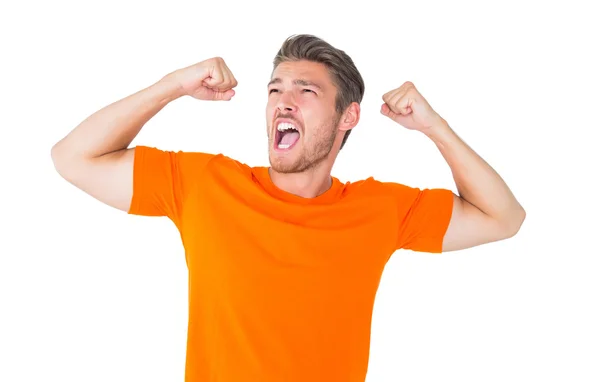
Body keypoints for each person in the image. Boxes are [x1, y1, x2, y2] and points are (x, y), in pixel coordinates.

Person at [51, 34, 525, 381]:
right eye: (276, 90)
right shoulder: (205, 184)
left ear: (349, 116)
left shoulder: (382, 208)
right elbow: (73, 158)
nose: (283, 102)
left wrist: (435, 127)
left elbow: (504, 217)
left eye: (306, 91)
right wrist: (172, 85)